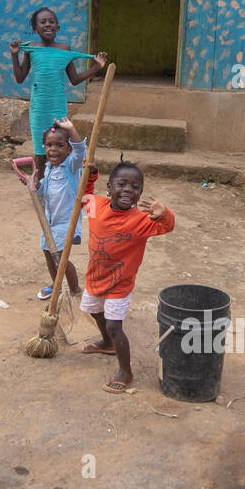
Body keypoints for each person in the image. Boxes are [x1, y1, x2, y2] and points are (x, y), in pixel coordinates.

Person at [80, 161, 175, 394]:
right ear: (110, 188)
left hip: (120, 283)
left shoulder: (142, 221)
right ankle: (107, 343)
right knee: (94, 311)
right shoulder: (97, 206)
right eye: (121, 184)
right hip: (95, 277)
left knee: (114, 325)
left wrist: (165, 214)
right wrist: (89, 175)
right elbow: (83, 196)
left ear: (140, 193)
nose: (128, 190)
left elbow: (168, 226)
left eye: (135, 186)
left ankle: (125, 370)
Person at [9, 7, 106, 180]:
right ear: (35, 29)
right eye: (43, 22)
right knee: (40, 151)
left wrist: (96, 67)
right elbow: (20, 77)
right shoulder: (31, 49)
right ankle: (40, 190)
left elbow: (75, 79)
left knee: (61, 146)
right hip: (38, 109)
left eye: (51, 21)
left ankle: (62, 185)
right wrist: (14, 56)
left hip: (57, 108)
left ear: (58, 27)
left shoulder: (64, 48)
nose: (48, 25)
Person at [14, 118, 97, 301]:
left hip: (66, 223)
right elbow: (43, 193)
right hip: (49, 222)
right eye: (49, 145)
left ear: (68, 149)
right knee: (48, 254)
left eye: (60, 145)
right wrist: (34, 184)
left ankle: (74, 289)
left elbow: (81, 150)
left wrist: (71, 128)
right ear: (44, 148)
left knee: (60, 258)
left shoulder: (71, 166)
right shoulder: (49, 169)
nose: (53, 149)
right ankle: (57, 284)